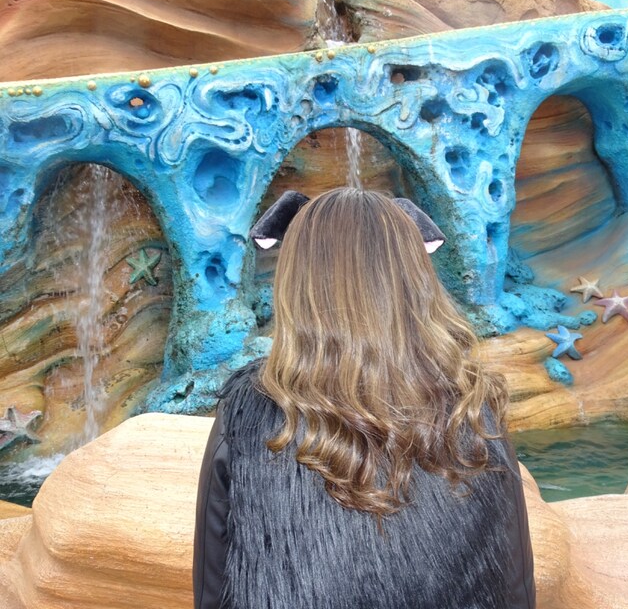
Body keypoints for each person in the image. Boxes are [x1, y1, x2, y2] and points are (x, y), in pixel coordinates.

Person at [193, 187, 536, 609]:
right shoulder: (471, 407)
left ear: (297, 282)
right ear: (414, 278)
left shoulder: (249, 412)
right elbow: (514, 585)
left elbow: (214, 586)